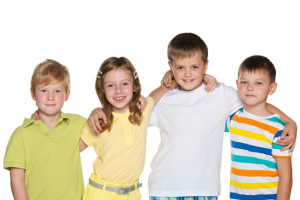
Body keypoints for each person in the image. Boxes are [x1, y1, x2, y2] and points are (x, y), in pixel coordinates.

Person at [88, 33, 297, 200]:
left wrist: (290, 122)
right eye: (180, 68)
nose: (187, 74)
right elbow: (131, 113)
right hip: (164, 188)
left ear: (206, 66)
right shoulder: (164, 98)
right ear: (170, 67)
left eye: (195, 67)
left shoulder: (221, 94)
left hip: (205, 189)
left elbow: (255, 101)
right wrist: (98, 110)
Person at [78, 56, 180, 200]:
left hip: (132, 194)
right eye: (110, 85)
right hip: (101, 194)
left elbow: (169, 84)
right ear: (102, 89)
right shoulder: (100, 121)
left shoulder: (141, 110)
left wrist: (169, 74)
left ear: (134, 86)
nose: (118, 90)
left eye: (124, 84)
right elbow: (71, 151)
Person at [3, 59, 86, 200]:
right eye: (44, 90)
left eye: (57, 91)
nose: (50, 97)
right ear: (33, 93)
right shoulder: (21, 135)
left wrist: (97, 111)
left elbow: (104, 125)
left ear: (67, 94)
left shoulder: (77, 124)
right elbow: (16, 179)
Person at [226, 55, 292, 200]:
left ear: (272, 88)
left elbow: (286, 177)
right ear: (237, 84)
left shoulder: (280, 130)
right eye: (244, 82)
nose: (250, 88)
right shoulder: (233, 118)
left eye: (258, 83)